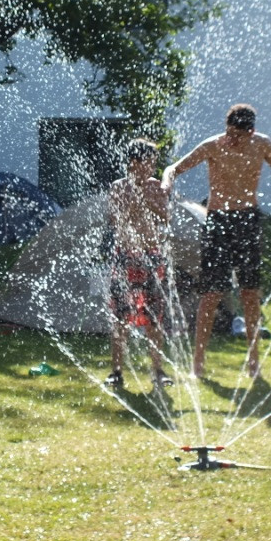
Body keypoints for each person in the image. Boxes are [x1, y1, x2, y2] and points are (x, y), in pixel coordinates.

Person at [161, 103, 271, 379]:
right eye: (229, 133)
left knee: (250, 294)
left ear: (250, 132)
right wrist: (166, 183)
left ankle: (254, 362)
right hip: (218, 222)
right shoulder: (213, 145)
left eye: (237, 136)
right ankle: (198, 364)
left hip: (247, 222)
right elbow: (173, 168)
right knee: (211, 295)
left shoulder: (262, 145)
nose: (231, 140)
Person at [105, 138, 173, 390]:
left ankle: (158, 371)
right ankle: (116, 371)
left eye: (154, 163)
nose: (152, 168)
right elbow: (112, 219)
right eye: (149, 163)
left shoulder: (155, 187)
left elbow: (166, 216)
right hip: (125, 257)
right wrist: (132, 201)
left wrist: (147, 199)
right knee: (120, 317)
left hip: (151, 257)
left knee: (155, 317)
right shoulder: (118, 187)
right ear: (134, 162)